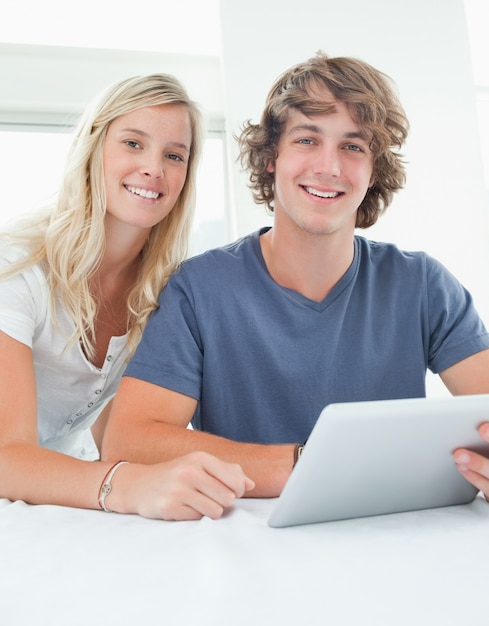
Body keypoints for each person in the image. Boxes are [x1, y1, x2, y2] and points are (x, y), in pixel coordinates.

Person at [102, 51, 489, 499]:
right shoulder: (199, 289)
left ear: (373, 170)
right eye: (307, 140)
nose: (329, 166)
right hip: (249, 543)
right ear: (271, 157)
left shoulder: (423, 285)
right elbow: (129, 440)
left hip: (394, 535)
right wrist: (317, 464)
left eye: (353, 146)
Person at [0, 73, 253, 520]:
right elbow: (6, 456)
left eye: (174, 155)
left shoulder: (165, 293)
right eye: (133, 144)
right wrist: (127, 485)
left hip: (44, 506)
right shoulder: (15, 268)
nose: (154, 168)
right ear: (93, 148)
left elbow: (117, 435)